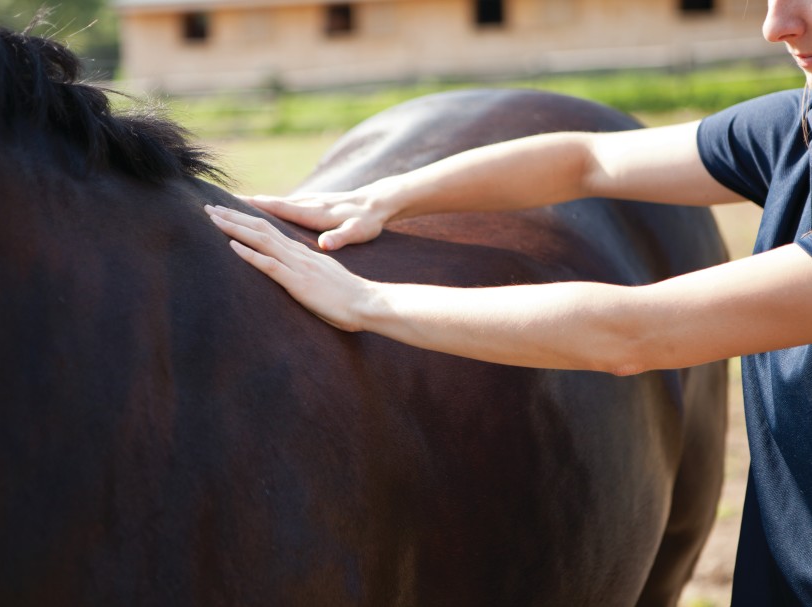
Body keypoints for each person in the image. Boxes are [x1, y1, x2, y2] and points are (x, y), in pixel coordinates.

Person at [207, 0, 812, 603]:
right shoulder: (796, 128)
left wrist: (365, 300)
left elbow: (634, 333)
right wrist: (386, 198)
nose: (775, 25)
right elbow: (587, 161)